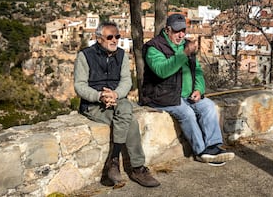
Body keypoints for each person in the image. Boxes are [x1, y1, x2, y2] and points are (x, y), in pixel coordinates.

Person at [140, 13, 235, 166]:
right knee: (187, 113)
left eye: (183, 30)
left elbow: (197, 71)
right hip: (160, 96)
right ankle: (201, 152)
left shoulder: (186, 45)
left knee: (209, 106)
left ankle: (214, 146)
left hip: (185, 95)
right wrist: (183, 54)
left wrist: (198, 89)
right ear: (167, 30)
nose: (181, 34)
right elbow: (162, 70)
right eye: (177, 31)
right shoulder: (154, 47)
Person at [74, 21, 160, 188]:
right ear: (98, 39)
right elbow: (79, 85)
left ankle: (113, 161)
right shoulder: (84, 56)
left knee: (125, 107)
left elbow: (127, 81)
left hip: (117, 101)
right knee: (131, 121)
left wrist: (116, 94)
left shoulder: (121, 55)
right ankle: (137, 168)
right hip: (94, 105)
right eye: (110, 37)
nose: (115, 40)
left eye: (117, 36)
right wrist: (100, 96)